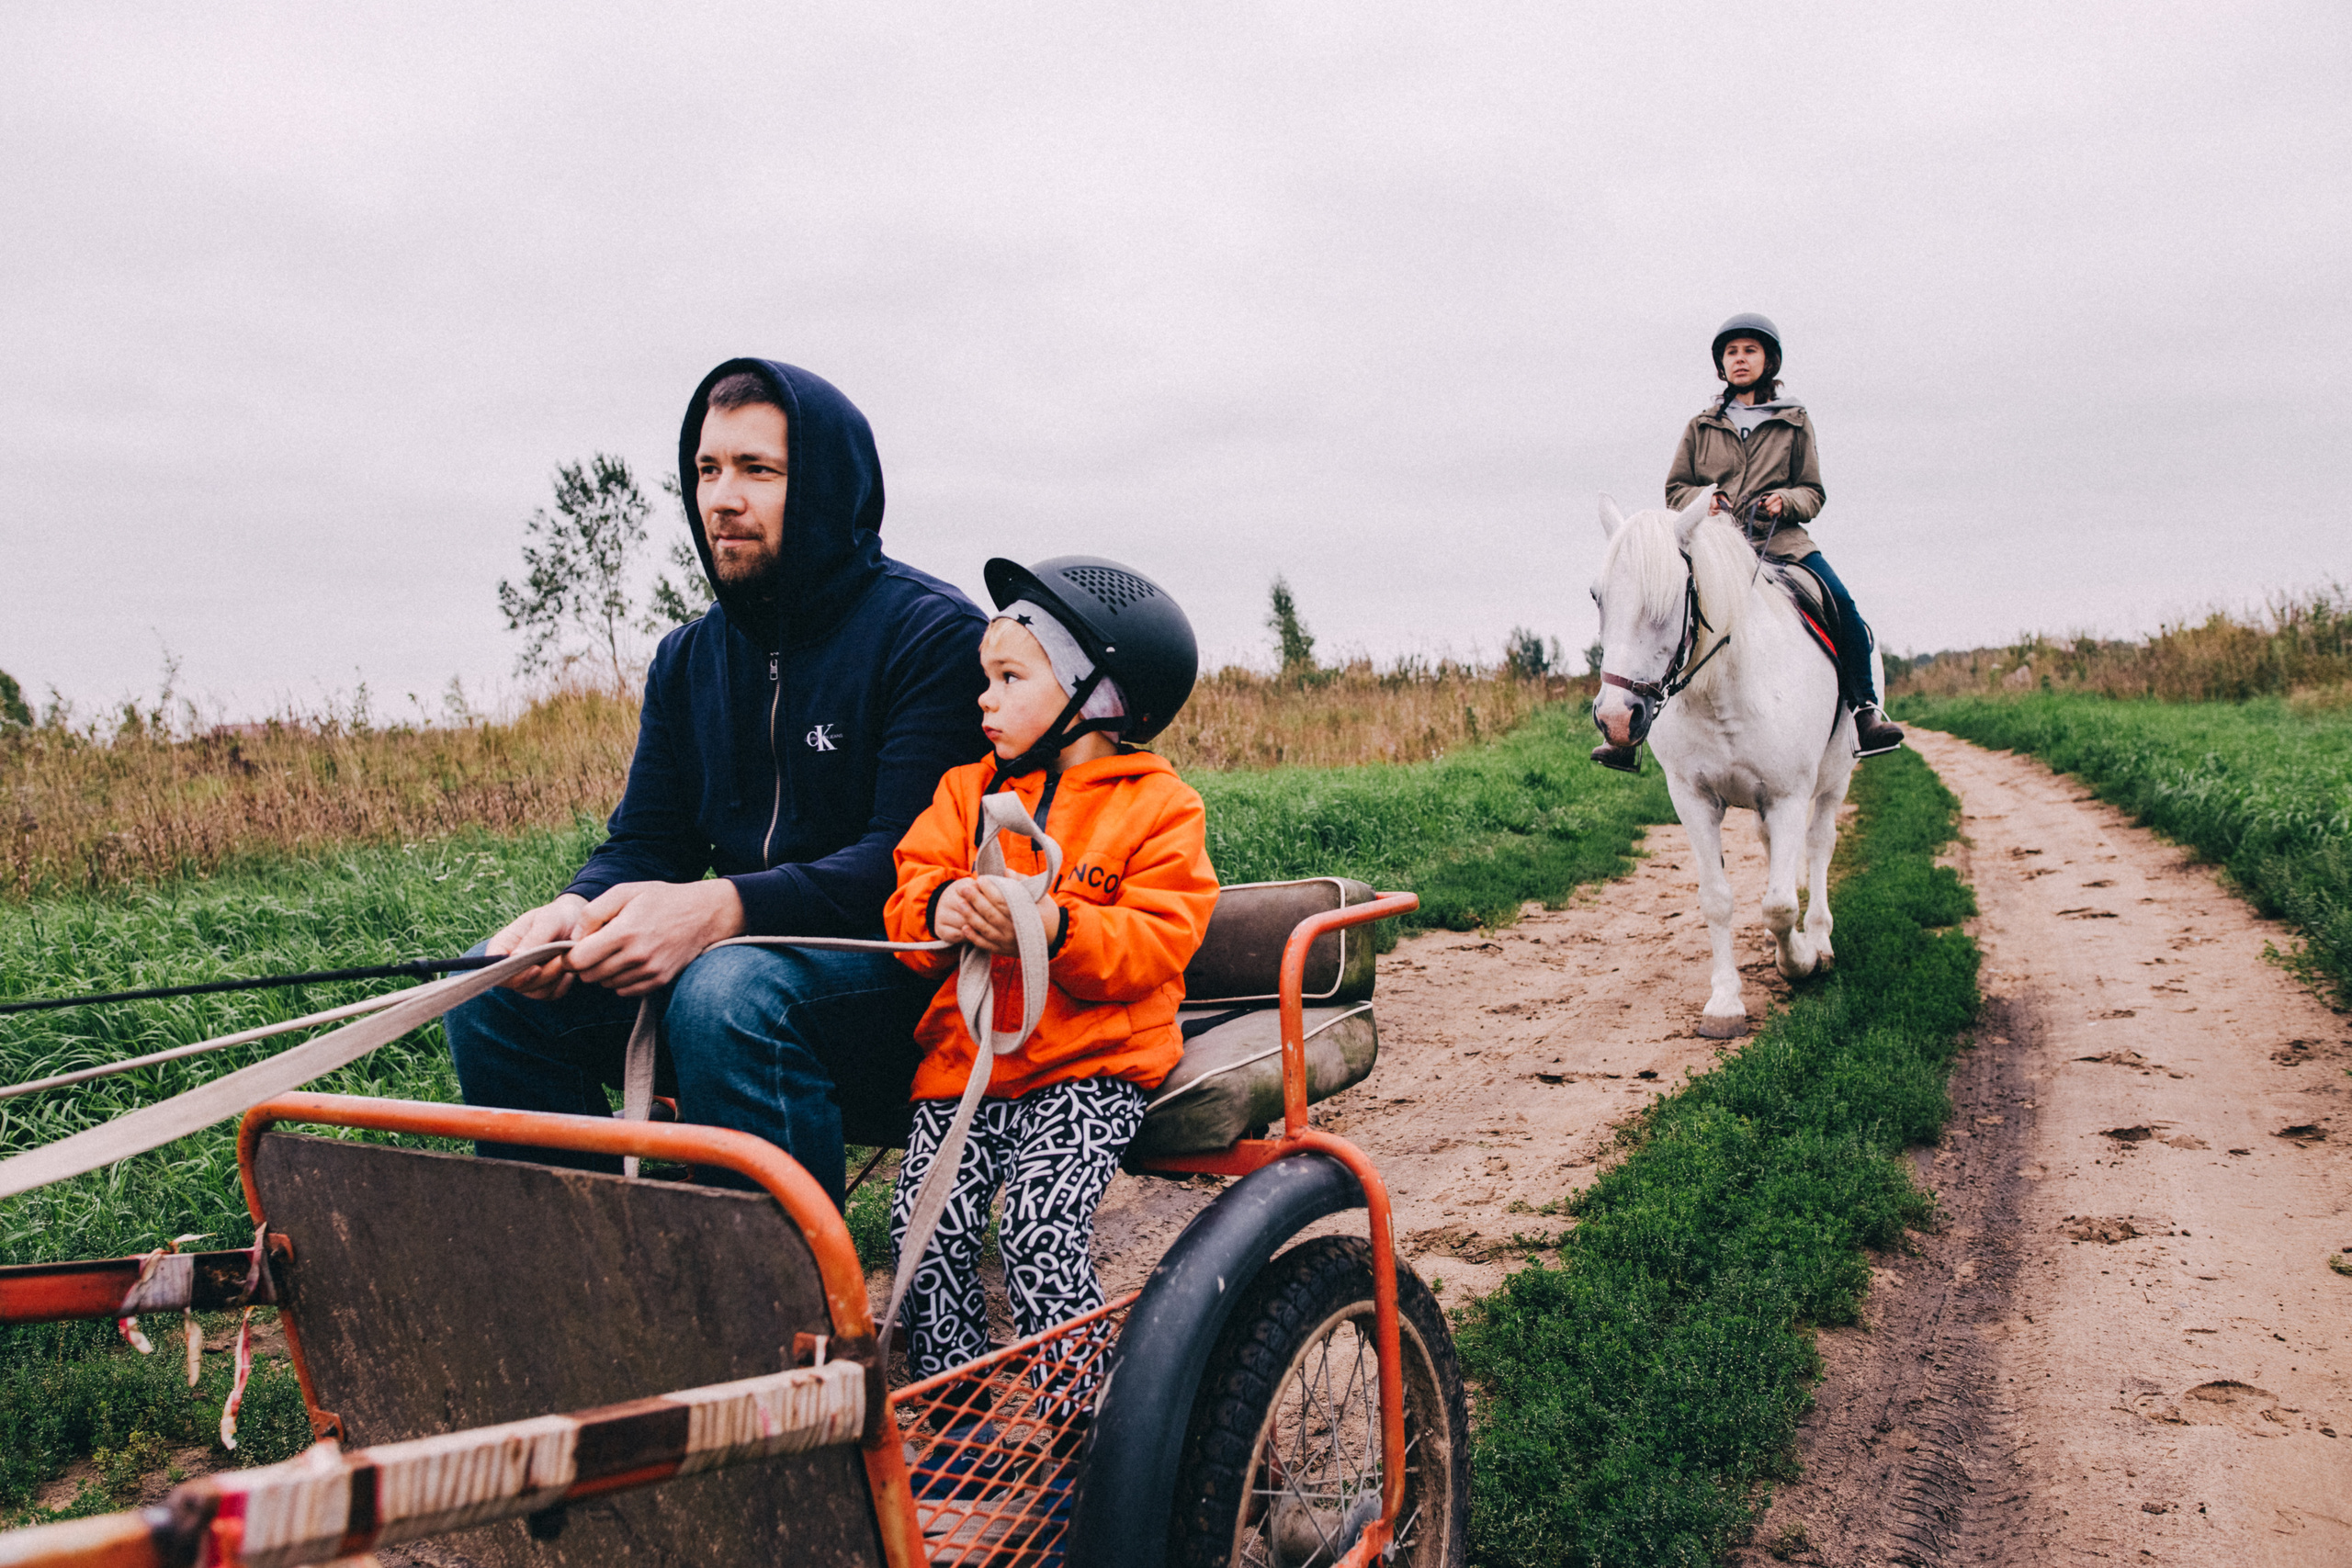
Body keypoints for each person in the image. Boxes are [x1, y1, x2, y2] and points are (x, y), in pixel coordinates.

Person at [447, 358, 990, 1208]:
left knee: (724, 991)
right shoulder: (687, 658)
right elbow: (649, 841)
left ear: (822, 485)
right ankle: (588, 1284)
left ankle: (789, 1318)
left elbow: (903, 864)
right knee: (493, 987)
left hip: (906, 979)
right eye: (707, 469)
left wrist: (717, 910)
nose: (721, 498)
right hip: (743, 968)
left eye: (757, 470)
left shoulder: (932, 636)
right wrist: (577, 909)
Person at [882, 555, 1216, 1382]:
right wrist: (938, 911)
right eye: (984, 678)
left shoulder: (1160, 806)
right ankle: (958, 1431)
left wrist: (1056, 924)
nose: (984, 699)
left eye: (1008, 677)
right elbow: (909, 891)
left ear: (1094, 695)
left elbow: (1156, 940)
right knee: (927, 1237)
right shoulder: (965, 792)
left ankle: (1082, 1428)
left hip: (1090, 1064)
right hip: (969, 1067)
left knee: (1038, 1228)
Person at [1666, 312, 1905, 755]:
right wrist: (1706, 499)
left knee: (1843, 605)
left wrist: (1786, 501)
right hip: (1716, 547)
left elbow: (1813, 492)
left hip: (1783, 543)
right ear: (1721, 364)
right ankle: (1634, 726)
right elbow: (1675, 490)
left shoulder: (1794, 421)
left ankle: (1864, 711)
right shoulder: (1700, 426)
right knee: (1659, 605)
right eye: (1731, 352)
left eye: (1749, 351)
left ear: (1768, 360)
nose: (1740, 359)